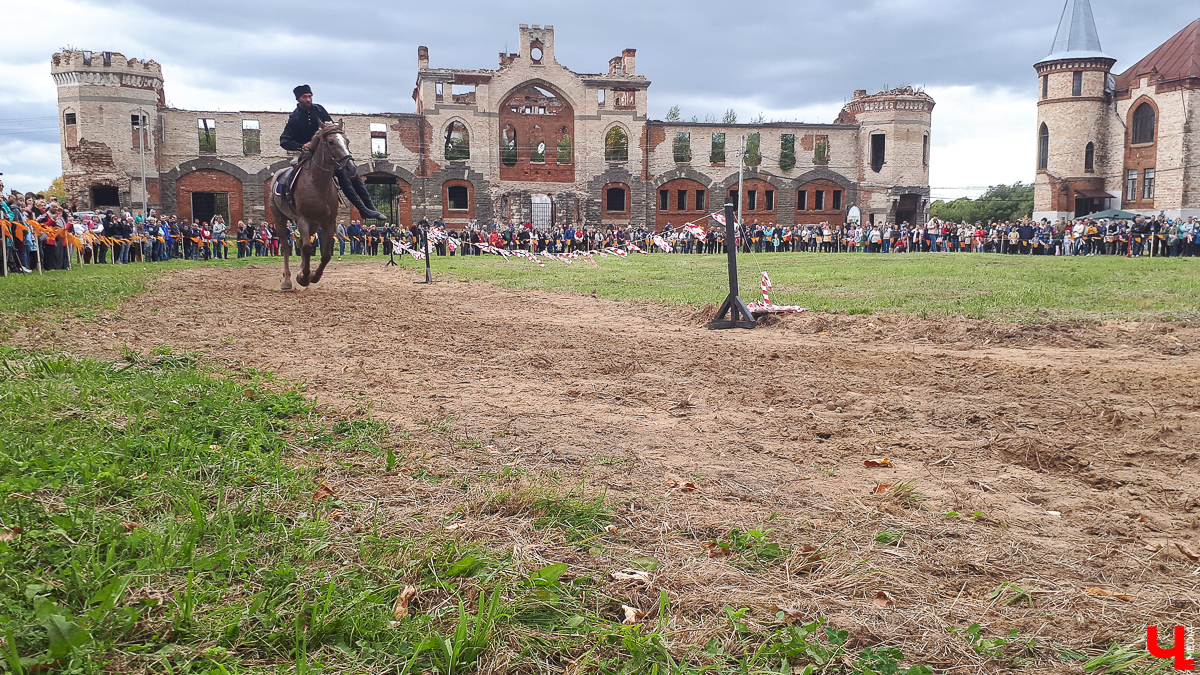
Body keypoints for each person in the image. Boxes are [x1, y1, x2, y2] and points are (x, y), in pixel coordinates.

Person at [279, 84, 384, 220]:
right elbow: (284, 141)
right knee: (342, 179)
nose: (308, 99)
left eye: (310, 96)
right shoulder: (294, 118)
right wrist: (301, 146)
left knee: (352, 175)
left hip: (327, 151)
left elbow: (330, 127)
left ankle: (370, 208)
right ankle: (289, 198)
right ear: (298, 99)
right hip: (309, 154)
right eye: (305, 97)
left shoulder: (319, 109)